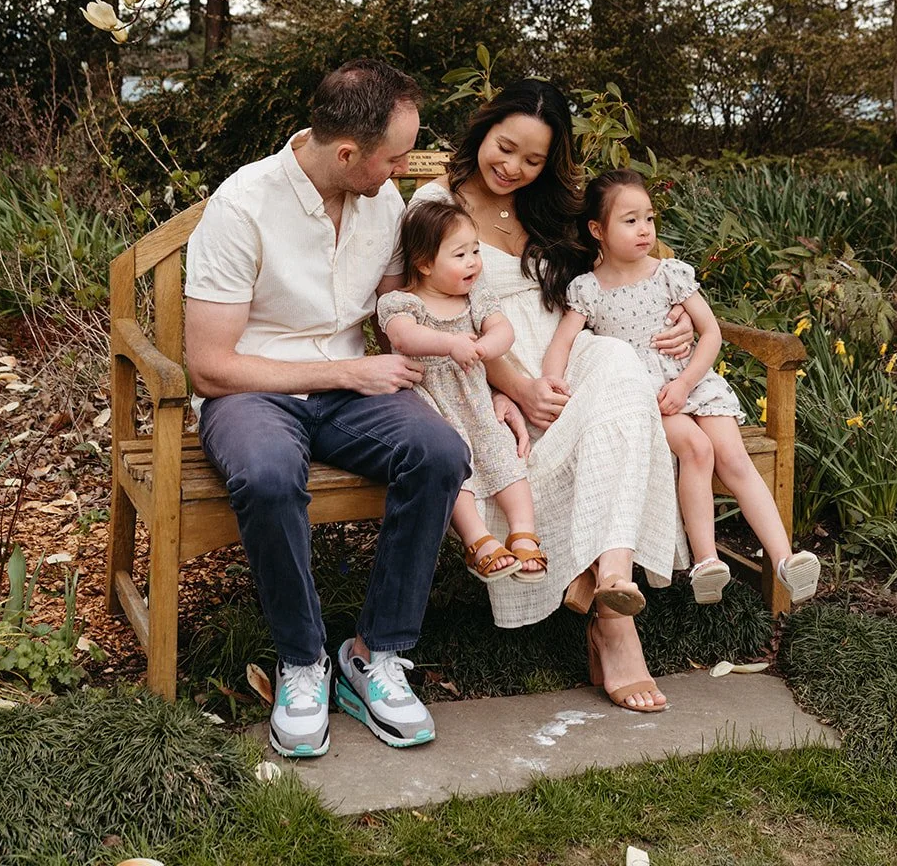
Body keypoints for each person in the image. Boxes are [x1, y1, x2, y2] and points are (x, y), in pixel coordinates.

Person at [184, 59, 471, 759]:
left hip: (351, 392)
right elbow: (211, 364)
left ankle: (373, 654)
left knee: (440, 453)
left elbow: (399, 305)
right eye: (395, 159)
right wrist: (347, 368)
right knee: (269, 475)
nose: (402, 173)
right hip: (251, 390)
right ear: (348, 154)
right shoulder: (243, 204)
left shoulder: (382, 202)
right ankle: (302, 660)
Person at [409, 80, 694, 714]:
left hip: (567, 355)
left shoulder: (555, 209)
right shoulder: (436, 204)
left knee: (619, 363)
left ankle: (612, 580)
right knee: (582, 416)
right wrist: (509, 386)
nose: (513, 168)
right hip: (486, 371)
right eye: (504, 148)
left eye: (533, 160)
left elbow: (627, 277)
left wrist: (674, 320)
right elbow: (416, 312)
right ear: (483, 131)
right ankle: (610, 620)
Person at [545, 170, 821, 607]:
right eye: (630, 220)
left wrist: (686, 381)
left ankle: (786, 559)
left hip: (691, 381)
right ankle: (707, 562)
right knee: (697, 449)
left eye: (649, 219)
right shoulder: (589, 289)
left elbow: (710, 333)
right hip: (646, 396)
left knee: (733, 456)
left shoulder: (669, 274)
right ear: (597, 230)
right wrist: (555, 385)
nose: (644, 230)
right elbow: (561, 344)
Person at [377, 199, 547, 586]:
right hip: (431, 405)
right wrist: (448, 343)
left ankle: (524, 533)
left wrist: (486, 347)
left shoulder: (476, 299)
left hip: (475, 399)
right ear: (423, 263)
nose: (473, 261)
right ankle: (479, 541)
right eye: (460, 254)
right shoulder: (402, 302)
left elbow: (503, 329)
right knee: (455, 468)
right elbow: (403, 335)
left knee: (503, 455)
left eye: (475, 251)